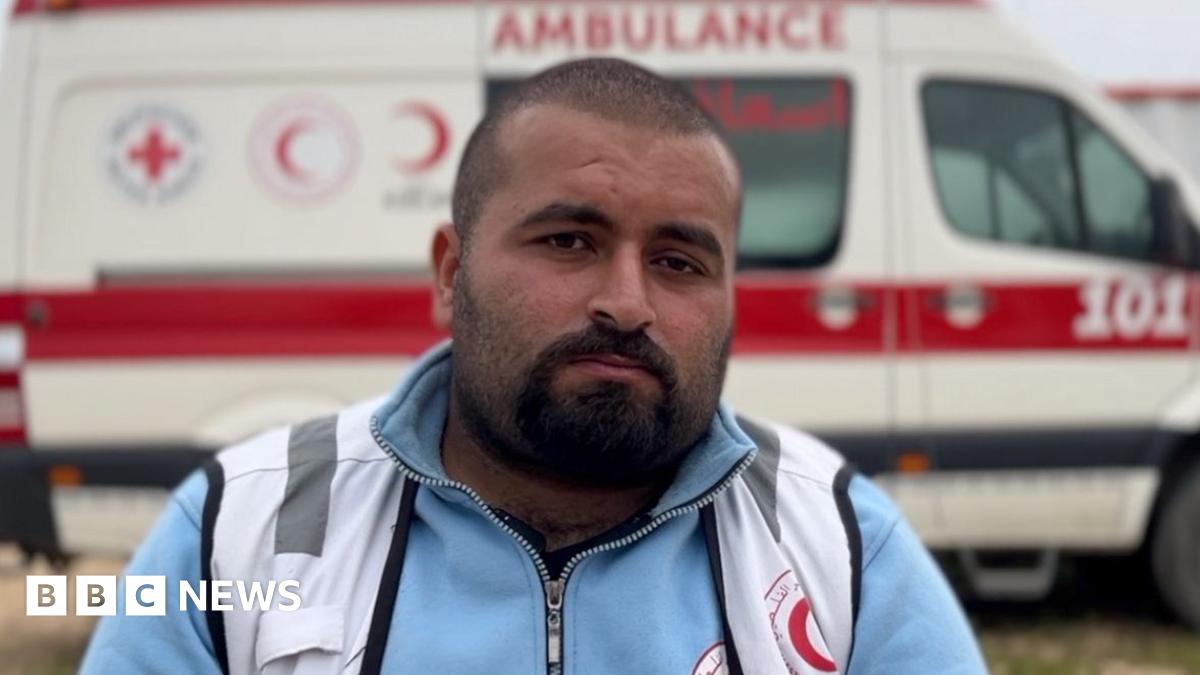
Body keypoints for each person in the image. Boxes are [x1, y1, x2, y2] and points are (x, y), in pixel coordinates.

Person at [80, 58, 986, 675]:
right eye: (568, 239)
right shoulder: (231, 529)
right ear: (450, 269)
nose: (627, 302)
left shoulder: (845, 549)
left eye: (679, 261)